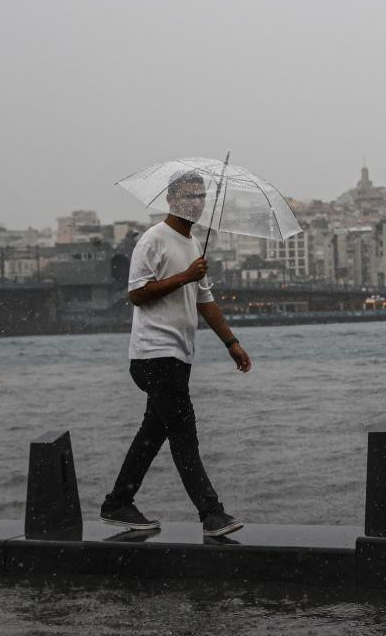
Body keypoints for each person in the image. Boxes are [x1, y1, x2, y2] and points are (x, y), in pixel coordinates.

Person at [100, 170, 251, 538]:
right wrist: (185, 275)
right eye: (188, 196)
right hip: (153, 356)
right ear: (170, 199)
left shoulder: (194, 244)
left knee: (153, 434)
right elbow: (136, 294)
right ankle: (211, 514)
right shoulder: (153, 240)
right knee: (185, 435)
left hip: (177, 357)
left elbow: (205, 300)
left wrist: (231, 343)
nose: (196, 203)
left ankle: (118, 502)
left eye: (200, 196)